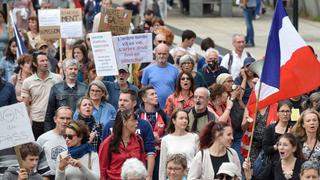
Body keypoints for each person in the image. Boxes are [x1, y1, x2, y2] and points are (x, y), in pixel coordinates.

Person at [21, 51, 62, 139]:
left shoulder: (58, 78)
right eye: (42, 61)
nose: (45, 63)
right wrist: (26, 122)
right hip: (37, 121)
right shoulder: (27, 82)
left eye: (46, 60)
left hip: (54, 120)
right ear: (35, 64)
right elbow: (25, 105)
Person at [99, 110, 146, 179]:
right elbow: (101, 170)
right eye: (133, 120)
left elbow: (142, 165)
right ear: (124, 122)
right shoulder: (108, 143)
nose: (137, 123)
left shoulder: (139, 140)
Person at [45, 59, 88, 131]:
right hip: (61, 128)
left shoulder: (85, 88)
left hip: (79, 128)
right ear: (65, 71)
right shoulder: (56, 88)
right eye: (70, 69)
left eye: (75, 69)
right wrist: (48, 131)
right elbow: (50, 112)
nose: (73, 71)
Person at [137, 85, 167, 179]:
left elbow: (171, 133)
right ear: (144, 99)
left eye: (156, 94)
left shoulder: (163, 114)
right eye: (152, 94)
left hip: (159, 155)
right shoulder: (137, 115)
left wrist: (161, 138)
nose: (156, 96)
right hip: (142, 155)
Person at [159, 109, 198, 180]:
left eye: (186, 118)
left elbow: (198, 161)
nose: (184, 121)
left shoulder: (194, 137)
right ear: (174, 121)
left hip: (191, 177)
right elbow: (163, 164)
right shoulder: (166, 140)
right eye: (181, 118)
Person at [37, 106, 73, 179]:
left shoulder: (74, 139)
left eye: (68, 118)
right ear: (55, 119)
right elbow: (36, 161)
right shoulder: (43, 138)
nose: (65, 121)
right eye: (62, 118)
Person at [141, 43, 179, 108]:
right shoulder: (147, 70)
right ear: (155, 54)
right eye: (159, 53)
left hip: (170, 107)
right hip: (153, 107)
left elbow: (178, 89)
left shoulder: (175, 70)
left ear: (168, 54)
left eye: (164, 54)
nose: (161, 56)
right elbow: (143, 90)